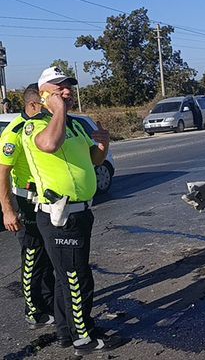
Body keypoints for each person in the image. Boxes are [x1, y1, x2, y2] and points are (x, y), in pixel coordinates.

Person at [21, 66, 123, 355]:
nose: (67, 92)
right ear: (43, 94)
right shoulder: (36, 125)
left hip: (80, 212)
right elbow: (51, 145)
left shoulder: (77, 125)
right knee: (76, 277)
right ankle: (84, 337)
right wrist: (56, 111)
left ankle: (67, 332)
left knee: (67, 276)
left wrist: (102, 144)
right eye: (59, 88)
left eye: (69, 87)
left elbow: (94, 160)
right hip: (59, 215)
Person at [0, 84, 56, 331]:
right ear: (34, 104)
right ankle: (33, 311)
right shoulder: (14, 132)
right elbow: (2, 173)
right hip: (26, 201)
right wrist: (8, 210)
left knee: (47, 256)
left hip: (46, 201)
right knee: (32, 257)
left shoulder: (44, 126)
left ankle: (50, 302)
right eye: (45, 102)